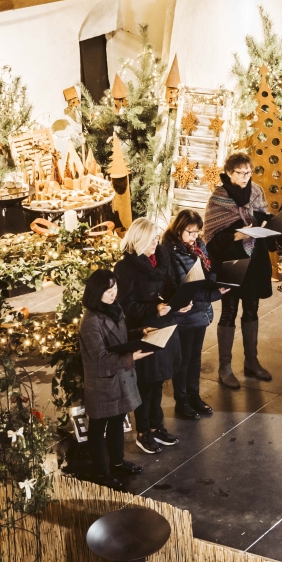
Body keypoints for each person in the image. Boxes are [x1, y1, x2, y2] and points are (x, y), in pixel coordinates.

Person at [204, 152, 276, 386]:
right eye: (240, 172)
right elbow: (212, 235)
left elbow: (263, 215)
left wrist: (268, 223)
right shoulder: (219, 197)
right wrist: (236, 235)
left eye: (248, 172)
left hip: (255, 258)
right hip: (231, 260)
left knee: (252, 308)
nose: (245, 176)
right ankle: (225, 367)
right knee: (229, 310)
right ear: (228, 173)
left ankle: (251, 361)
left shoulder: (256, 191)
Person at [79, 268, 152, 484]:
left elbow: (119, 338)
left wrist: (140, 333)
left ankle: (118, 462)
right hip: (103, 381)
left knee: (118, 420)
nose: (114, 293)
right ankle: (101, 472)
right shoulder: (90, 321)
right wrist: (132, 357)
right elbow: (100, 358)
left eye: (115, 288)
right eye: (108, 290)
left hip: (119, 377)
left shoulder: (113, 308)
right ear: (96, 292)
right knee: (98, 426)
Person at [117, 217, 183, 453]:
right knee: (146, 382)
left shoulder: (161, 259)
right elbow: (125, 305)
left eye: (156, 238)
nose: (156, 242)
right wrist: (152, 308)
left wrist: (179, 302)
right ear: (139, 239)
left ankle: (157, 427)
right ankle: (143, 432)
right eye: (151, 239)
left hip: (164, 324)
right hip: (143, 328)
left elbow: (171, 287)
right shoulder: (125, 268)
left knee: (159, 380)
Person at [160, 207, 226, 419]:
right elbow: (182, 286)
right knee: (184, 358)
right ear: (179, 230)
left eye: (197, 232)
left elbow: (208, 271)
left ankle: (194, 395)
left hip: (200, 310)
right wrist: (212, 293)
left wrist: (217, 278)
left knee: (196, 357)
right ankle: (182, 401)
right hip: (185, 313)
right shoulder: (170, 251)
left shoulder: (199, 246)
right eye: (190, 232)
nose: (194, 237)